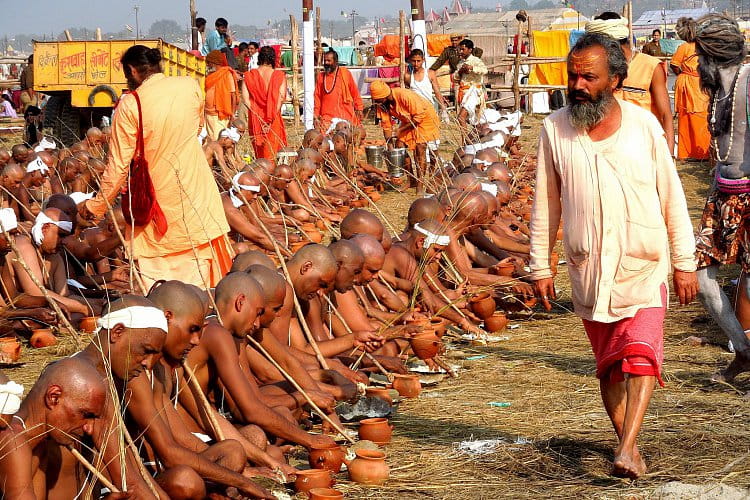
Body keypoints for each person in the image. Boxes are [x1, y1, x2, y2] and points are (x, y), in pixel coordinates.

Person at [529, 33, 698, 479]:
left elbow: (672, 197)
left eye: (590, 76)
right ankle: (630, 444)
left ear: (616, 80)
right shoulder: (554, 130)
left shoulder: (644, 127)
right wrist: (540, 265)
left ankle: (625, 447)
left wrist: (685, 263)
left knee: (640, 354)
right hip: (590, 268)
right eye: (574, 76)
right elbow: (546, 202)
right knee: (609, 367)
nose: (578, 85)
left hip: (645, 263)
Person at [81, 45, 232, 289]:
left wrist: (96, 206)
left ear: (132, 71)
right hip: (198, 193)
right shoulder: (189, 86)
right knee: (204, 274)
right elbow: (196, 128)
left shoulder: (131, 104)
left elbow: (118, 166)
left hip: (158, 200)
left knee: (166, 282)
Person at [692, 14, 750, 381]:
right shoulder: (720, 89)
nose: (695, 64)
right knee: (700, 278)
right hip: (722, 194)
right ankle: (743, 352)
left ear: (711, 54)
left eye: (699, 56)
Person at [0, 358, 107, 500]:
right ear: (54, 397)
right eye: (85, 414)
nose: (89, 428)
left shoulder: (39, 446)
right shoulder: (12, 439)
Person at [586, 13, 675, 155]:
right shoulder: (598, 69)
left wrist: (669, 157)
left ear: (612, 45)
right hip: (608, 152)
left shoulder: (650, 66)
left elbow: (666, 115)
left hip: (644, 152)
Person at [369, 80, 440, 193]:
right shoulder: (382, 105)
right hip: (408, 122)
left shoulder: (404, 95)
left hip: (425, 119)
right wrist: (391, 148)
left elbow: (419, 116)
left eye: (379, 99)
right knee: (399, 146)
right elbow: (387, 126)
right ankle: (411, 179)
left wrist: (400, 130)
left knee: (420, 148)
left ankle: (420, 184)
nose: (378, 102)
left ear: (385, 95)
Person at [670, 17, 710, 160]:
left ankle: (691, 152)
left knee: (694, 116)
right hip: (694, 83)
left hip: (694, 82)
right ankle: (698, 152)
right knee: (694, 116)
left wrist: (682, 73)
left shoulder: (688, 47)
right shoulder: (702, 46)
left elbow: (674, 65)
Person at [243, 46, 287, 161]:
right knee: (271, 154)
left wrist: (256, 114)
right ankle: (270, 177)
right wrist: (270, 118)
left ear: (259, 58)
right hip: (273, 118)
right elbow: (280, 99)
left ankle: (260, 175)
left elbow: (246, 99)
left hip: (255, 118)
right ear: (273, 58)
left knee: (259, 154)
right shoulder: (279, 76)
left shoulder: (249, 76)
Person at [314, 49, 363, 133]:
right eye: (325, 60)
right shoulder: (321, 77)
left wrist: (359, 108)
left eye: (329, 60)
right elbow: (317, 97)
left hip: (345, 114)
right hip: (327, 116)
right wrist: (316, 115)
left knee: (352, 136)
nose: (326, 63)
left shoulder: (345, 73)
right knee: (324, 139)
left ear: (335, 61)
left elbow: (354, 92)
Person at [205, 50, 238, 140]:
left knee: (218, 141)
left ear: (213, 63)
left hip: (220, 115)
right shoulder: (210, 75)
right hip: (208, 114)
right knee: (210, 141)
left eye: (208, 63)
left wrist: (233, 113)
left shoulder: (227, 74)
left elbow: (233, 95)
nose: (207, 66)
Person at [455, 39, 487, 129]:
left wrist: (471, 68)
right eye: (460, 49)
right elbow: (455, 78)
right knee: (470, 121)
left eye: (463, 49)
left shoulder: (476, 61)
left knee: (461, 118)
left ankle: (465, 142)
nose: (461, 52)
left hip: (473, 92)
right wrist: (461, 71)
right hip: (464, 93)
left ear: (470, 50)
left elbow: (485, 70)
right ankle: (470, 140)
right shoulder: (461, 63)